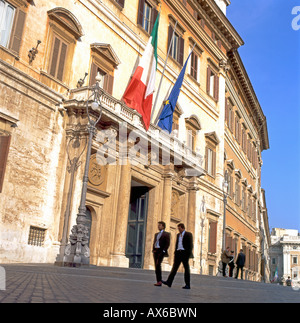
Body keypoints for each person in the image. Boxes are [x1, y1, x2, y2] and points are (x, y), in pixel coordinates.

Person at [162, 223, 194, 289]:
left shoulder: (188, 234)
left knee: (186, 269)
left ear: (183, 228)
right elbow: (177, 244)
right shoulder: (178, 235)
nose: (178, 230)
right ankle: (169, 282)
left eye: (179, 228)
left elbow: (191, 245)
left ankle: (187, 284)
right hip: (178, 253)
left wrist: (187, 253)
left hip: (184, 253)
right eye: (178, 228)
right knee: (174, 268)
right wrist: (175, 253)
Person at [152, 221, 170, 286]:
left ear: (163, 226)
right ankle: (158, 281)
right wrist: (153, 249)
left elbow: (167, 243)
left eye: (159, 225)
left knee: (158, 264)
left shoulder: (166, 234)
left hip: (161, 251)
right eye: (158, 225)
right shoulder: (156, 234)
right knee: (156, 266)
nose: (158, 226)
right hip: (155, 251)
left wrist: (164, 251)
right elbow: (155, 242)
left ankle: (159, 281)